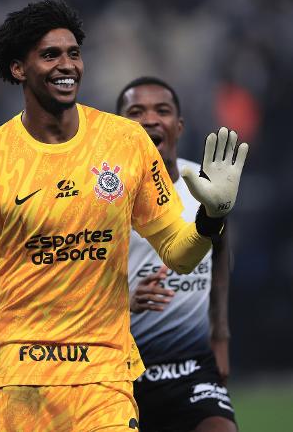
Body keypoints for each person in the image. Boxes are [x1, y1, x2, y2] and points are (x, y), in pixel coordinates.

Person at [0, 0, 248, 432]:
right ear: (18, 69)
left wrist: (211, 216)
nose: (66, 64)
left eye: (73, 53)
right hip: (14, 378)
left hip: (103, 375)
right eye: (50, 55)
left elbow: (179, 254)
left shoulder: (125, 143)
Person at [117, 76, 237, 432]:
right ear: (119, 127)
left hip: (191, 365)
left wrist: (220, 338)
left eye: (162, 110)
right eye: (136, 111)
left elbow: (220, 258)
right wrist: (125, 299)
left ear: (178, 125)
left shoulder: (204, 183)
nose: (150, 119)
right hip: (121, 366)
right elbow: (75, 275)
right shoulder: (105, 197)